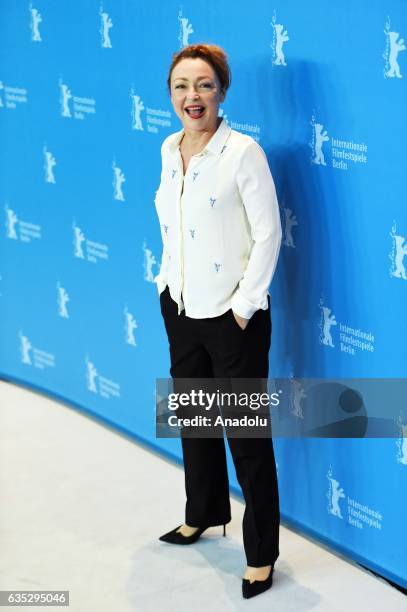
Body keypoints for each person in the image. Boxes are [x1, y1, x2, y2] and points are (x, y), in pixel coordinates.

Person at [154, 43, 282, 600]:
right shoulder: (168, 147)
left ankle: (261, 555)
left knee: (247, 439)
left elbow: (269, 234)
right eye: (182, 86)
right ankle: (203, 511)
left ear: (222, 91)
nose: (193, 96)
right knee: (195, 422)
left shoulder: (243, 152)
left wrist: (244, 307)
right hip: (180, 308)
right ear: (171, 95)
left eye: (204, 85)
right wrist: (166, 285)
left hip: (233, 317)